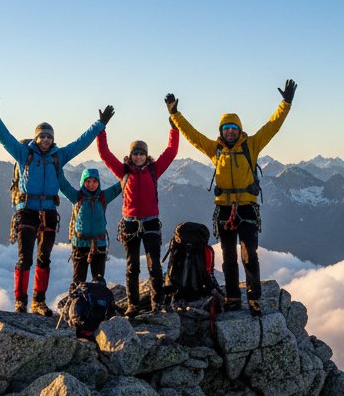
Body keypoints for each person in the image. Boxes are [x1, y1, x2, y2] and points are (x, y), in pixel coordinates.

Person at [165, 80, 297, 315]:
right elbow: (192, 135)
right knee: (228, 258)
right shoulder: (215, 149)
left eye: (233, 128)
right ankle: (233, 297)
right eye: (226, 128)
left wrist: (285, 103)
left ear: (239, 129)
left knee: (249, 255)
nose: (230, 131)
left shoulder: (251, 146)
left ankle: (254, 298)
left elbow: (272, 126)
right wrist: (175, 115)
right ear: (221, 131)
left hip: (247, 208)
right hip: (224, 210)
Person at [0, 92, 114, 315]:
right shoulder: (24, 154)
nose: (45, 140)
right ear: (36, 138)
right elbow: (5, 138)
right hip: (27, 211)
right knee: (25, 258)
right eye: (42, 136)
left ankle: (38, 302)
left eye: (49, 137)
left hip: (49, 212)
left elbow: (80, 143)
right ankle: (20, 302)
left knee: (44, 258)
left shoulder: (58, 156)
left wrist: (100, 124)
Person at [96, 119, 179, 312]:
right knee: (132, 266)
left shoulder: (154, 170)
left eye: (142, 153)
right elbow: (104, 154)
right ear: (131, 155)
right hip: (130, 224)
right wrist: (101, 128)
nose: (139, 157)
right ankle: (133, 305)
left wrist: (174, 128)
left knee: (154, 266)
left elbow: (171, 152)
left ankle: (157, 303)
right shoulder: (123, 171)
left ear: (146, 155)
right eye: (136, 153)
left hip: (151, 223)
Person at [58, 166, 122, 291]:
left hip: (99, 244)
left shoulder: (103, 197)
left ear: (98, 183)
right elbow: (64, 186)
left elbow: (117, 188)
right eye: (88, 181)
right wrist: (57, 168)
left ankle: (94, 301)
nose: (91, 184)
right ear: (83, 182)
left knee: (98, 280)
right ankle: (79, 300)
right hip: (80, 244)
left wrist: (128, 172)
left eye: (94, 181)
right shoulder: (76, 196)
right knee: (78, 280)